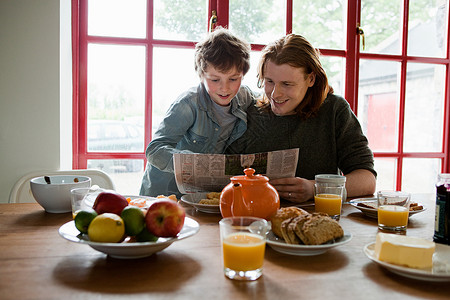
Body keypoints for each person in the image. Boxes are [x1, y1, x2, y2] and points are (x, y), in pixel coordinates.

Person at [226, 34, 377, 203]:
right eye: (269, 81)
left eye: (287, 84)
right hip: (254, 220)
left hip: (318, 220)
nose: (275, 94)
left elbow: (367, 180)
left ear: (311, 79)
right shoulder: (247, 112)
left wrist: (314, 188)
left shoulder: (334, 111)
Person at [140, 27, 255, 198]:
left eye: (233, 79)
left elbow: (267, 104)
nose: (225, 88)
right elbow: (154, 150)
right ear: (201, 75)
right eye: (215, 80)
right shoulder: (187, 104)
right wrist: (194, 163)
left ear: (243, 75)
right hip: (164, 193)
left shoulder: (245, 97)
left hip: (203, 195)